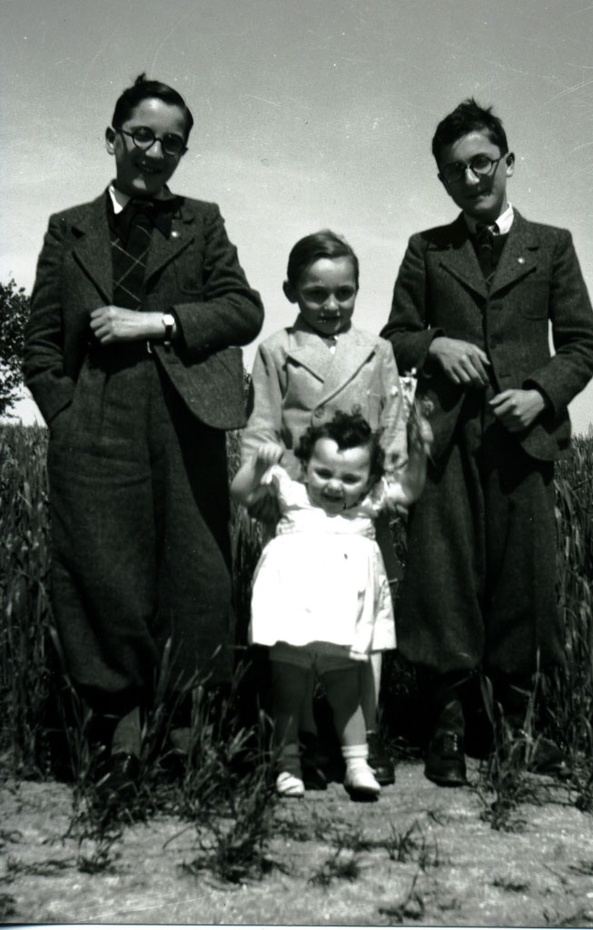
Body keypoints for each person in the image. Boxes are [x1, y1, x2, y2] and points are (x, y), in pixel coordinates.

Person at [23, 74, 264, 789]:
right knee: (102, 569)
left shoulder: (201, 221)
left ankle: (186, 734)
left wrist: (159, 321)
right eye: (142, 137)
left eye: (172, 143)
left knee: (196, 572)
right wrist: (66, 416)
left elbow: (244, 310)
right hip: (95, 418)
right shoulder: (68, 228)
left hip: (186, 416)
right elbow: (39, 343)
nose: (155, 152)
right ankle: (118, 736)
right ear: (112, 139)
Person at [381, 98, 593, 787]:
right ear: (443, 182)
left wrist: (540, 393)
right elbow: (397, 336)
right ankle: (446, 724)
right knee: (442, 579)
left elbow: (583, 343)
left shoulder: (552, 245)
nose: (473, 177)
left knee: (524, 581)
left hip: (522, 442)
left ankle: (518, 724)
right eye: (456, 171)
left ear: (508, 162)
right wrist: (436, 345)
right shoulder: (428, 248)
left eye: (483, 162)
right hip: (444, 442)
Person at [239, 230, 408, 787]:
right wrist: (273, 488)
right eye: (316, 295)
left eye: (344, 293)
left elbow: (392, 428)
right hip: (303, 507)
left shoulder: (377, 351)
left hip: (357, 510)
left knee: (363, 628)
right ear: (291, 291)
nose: (331, 306)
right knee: (298, 631)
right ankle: (304, 737)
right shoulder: (275, 350)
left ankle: (366, 738)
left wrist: (388, 484)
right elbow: (261, 426)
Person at [231, 409, 429, 799]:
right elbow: (239, 492)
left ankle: (356, 764)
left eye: (350, 478)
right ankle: (287, 766)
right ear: (305, 465)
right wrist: (257, 465)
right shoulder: (291, 493)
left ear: (369, 480)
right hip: (294, 616)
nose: (335, 486)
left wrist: (419, 454)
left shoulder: (368, 504)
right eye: (323, 473)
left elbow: (409, 490)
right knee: (288, 694)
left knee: (349, 695)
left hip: (343, 620)